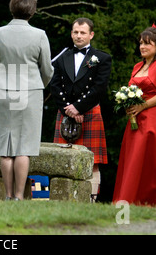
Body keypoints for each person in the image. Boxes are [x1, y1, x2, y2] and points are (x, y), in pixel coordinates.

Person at [0, 0, 53, 200]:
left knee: (6, 145)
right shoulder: (39, 34)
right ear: (32, 11)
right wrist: (38, 85)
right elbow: (47, 69)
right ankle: (19, 196)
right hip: (31, 90)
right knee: (24, 145)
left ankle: (7, 195)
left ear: (11, 8)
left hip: (6, 90)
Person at [113, 24, 156, 208]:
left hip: (154, 119)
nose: (142, 47)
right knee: (133, 158)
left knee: (153, 160)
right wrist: (128, 105)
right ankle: (128, 201)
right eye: (141, 43)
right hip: (136, 119)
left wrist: (143, 106)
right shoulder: (136, 67)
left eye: (147, 43)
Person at [50, 17, 112, 201]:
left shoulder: (101, 58)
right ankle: (61, 198)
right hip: (65, 113)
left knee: (92, 162)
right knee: (61, 159)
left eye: (83, 32)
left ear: (91, 34)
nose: (78, 36)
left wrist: (78, 108)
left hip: (89, 112)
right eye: (75, 32)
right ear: (71, 33)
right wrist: (67, 110)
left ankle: (90, 199)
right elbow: (55, 86)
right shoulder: (61, 57)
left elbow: (99, 88)